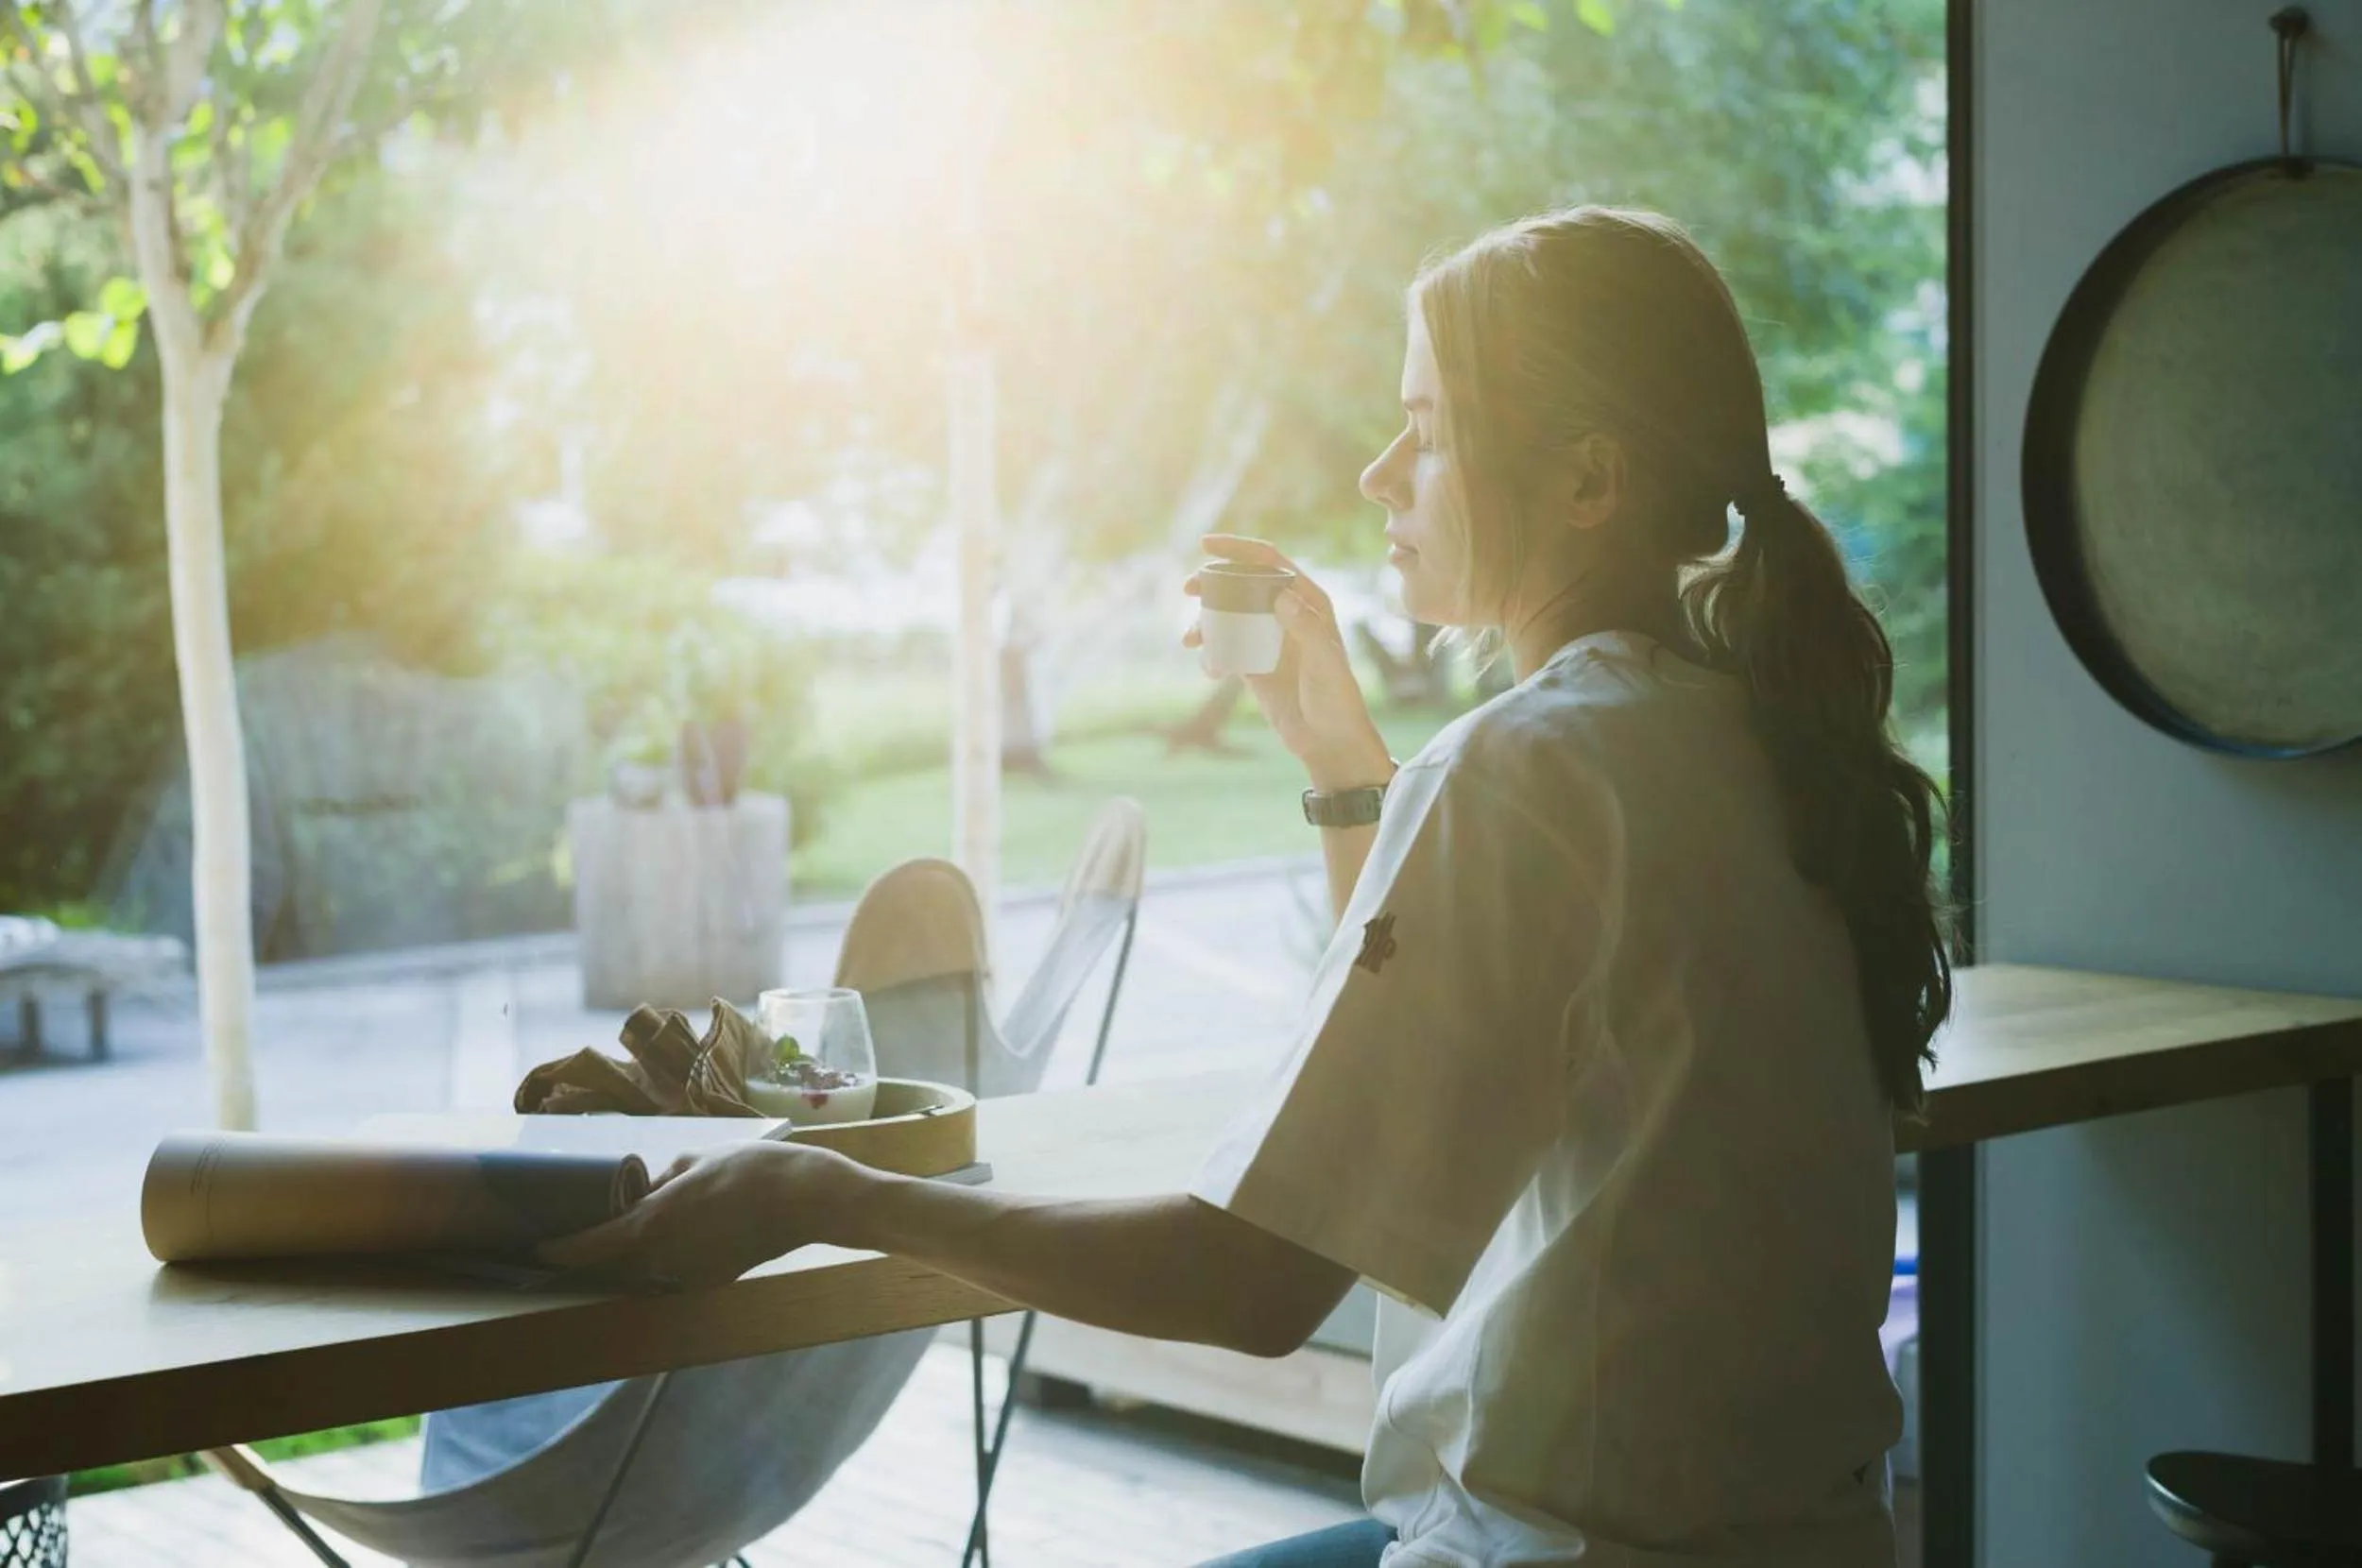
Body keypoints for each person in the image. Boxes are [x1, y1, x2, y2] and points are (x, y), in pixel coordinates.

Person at [544, 206, 1953, 1568]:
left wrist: (821, 1189)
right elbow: (1442, 1058)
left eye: (1433, 430)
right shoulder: (1773, 743)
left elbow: (1255, 1282)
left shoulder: (1528, 770)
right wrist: (1344, 764)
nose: (1379, 474)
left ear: (1587, 483)